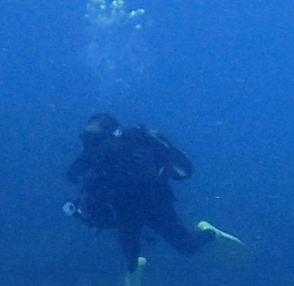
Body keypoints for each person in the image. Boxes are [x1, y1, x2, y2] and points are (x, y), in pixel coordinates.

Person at [65, 113, 243, 276]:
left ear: (113, 135)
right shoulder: (96, 149)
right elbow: (75, 170)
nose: (91, 146)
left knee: (187, 247)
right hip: (124, 207)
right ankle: (132, 269)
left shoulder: (135, 144)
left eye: (95, 140)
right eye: (88, 140)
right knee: (129, 251)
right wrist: (81, 185)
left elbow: (145, 178)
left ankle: (207, 232)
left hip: (154, 204)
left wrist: (104, 187)